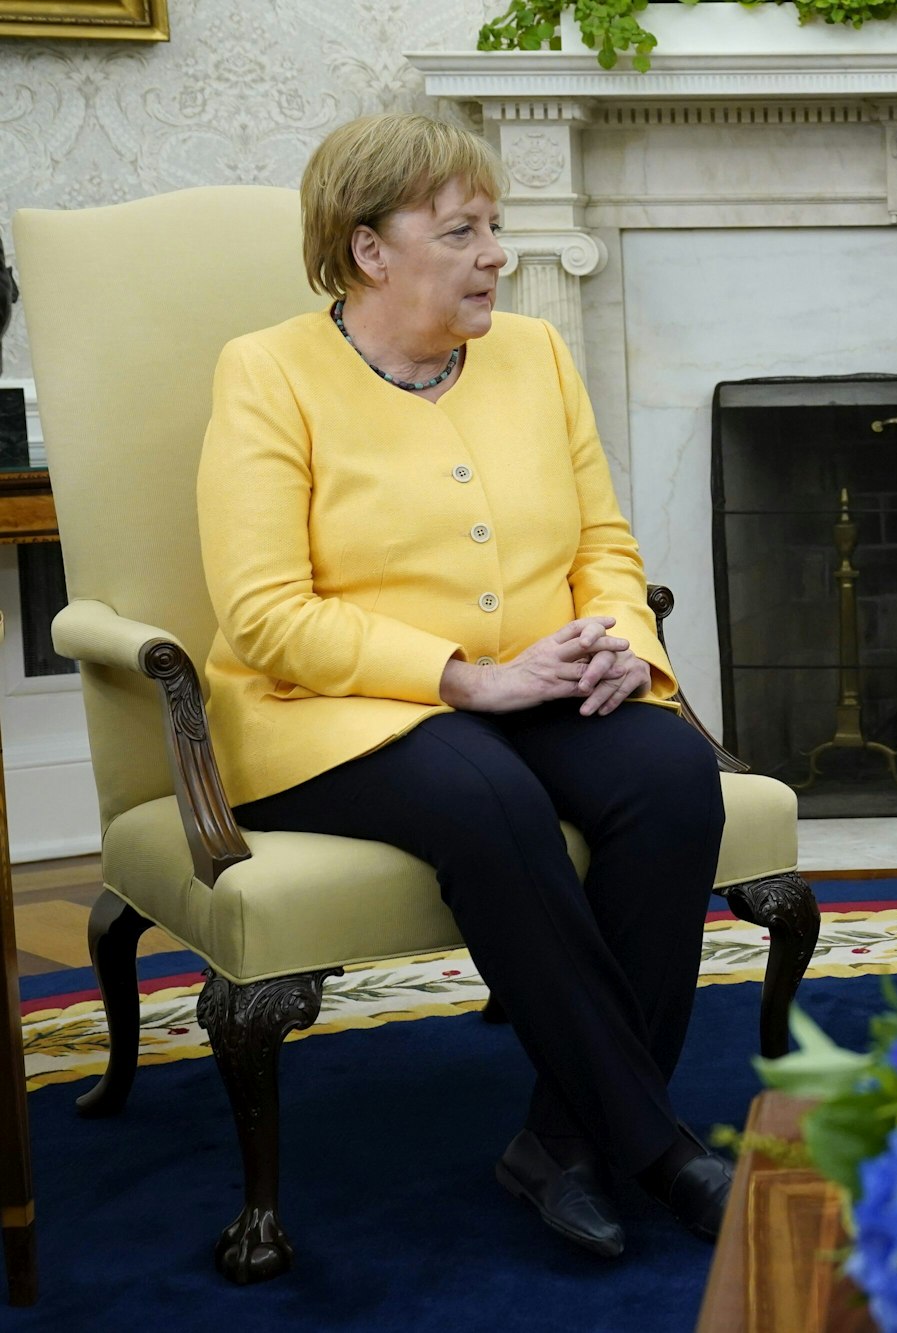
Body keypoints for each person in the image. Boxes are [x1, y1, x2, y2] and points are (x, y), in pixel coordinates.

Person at [197, 113, 731, 1258]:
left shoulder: (534, 353)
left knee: (676, 773)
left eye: (494, 226)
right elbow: (262, 614)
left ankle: (560, 1137)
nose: (497, 252)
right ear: (368, 250)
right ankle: (658, 1144)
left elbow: (602, 539)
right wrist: (464, 681)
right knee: (489, 796)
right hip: (332, 712)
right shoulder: (268, 373)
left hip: (533, 678)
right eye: (462, 230)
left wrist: (620, 644)